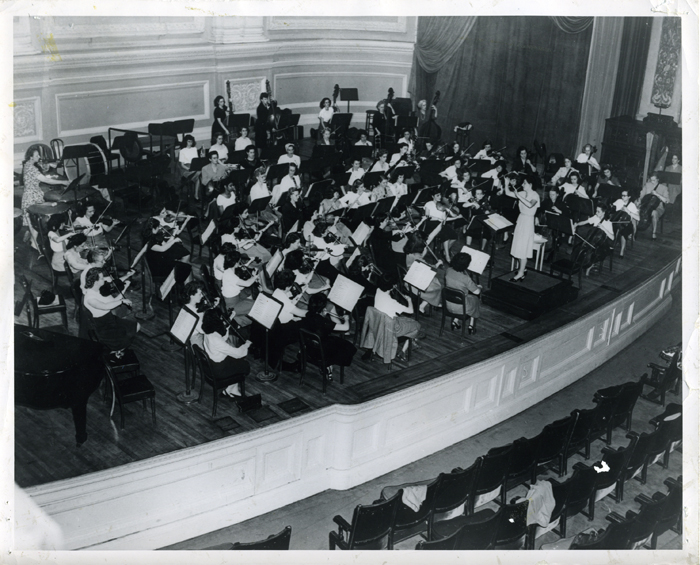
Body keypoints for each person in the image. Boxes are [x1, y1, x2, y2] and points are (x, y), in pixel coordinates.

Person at [83, 267, 139, 357]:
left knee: (137, 326)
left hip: (110, 318)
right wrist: (122, 301)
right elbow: (105, 307)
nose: (105, 279)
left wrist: (126, 281)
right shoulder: (90, 298)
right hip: (103, 325)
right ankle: (115, 353)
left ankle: (118, 351)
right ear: (96, 281)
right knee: (125, 337)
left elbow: (114, 298)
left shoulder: (98, 289)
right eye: (102, 278)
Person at [20, 145, 70, 244]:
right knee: (36, 220)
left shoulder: (27, 164)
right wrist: (63, 182)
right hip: (32, 196)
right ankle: (34, 242)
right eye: (37, 156)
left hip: (30, 194)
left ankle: (33, 242)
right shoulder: (32, 169)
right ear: (31, 157)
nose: (39, 157)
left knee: (34, 222)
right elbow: (46, 180)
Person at [301, 294, 357, 381]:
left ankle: (326, 366)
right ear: (323, 308)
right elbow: (346, 328)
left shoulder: (307, 315)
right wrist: (346, 319)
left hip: (308, 348)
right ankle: (327, 365)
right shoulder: (324, 323)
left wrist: (323, 314)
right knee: (348, 347)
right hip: (320, 351)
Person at [201, 309, 251, 398]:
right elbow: (238, 353)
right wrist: (246, 345)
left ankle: (231, 390)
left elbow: (222, 338)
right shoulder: (216, 340)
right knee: (245, 365)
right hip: (219, 369)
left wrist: (226, 327)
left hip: (211, 364)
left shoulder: (208, 332)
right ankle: (231, 389)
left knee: (237, 362)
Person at [371, 275, 421, 362]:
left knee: (406, 320)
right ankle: (403, 351)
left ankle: (410, 341)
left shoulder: (378, 291)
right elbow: (410, 311)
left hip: (379, 322)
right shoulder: (392, 302)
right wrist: (409, 300)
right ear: (393, 286)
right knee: (416, 325)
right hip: (391, 327)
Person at [506, 174, 540, 281]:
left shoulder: (535, 195)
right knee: (519, 245)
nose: (522, 184)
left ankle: (520, 272)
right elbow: (507, 193)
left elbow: (530, 205)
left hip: (528, 221)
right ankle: (522, 269)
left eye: (524, 183)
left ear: (530, 184)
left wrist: (518, 196)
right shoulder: (522, 192)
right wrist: (506, 183)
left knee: (523, 248)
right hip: (521, 220)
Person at [444, 252, 482, 333]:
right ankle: (471, 326)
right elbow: (476, 292)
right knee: (475, 299)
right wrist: (479, 287)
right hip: (462, 308)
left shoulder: (448, 270)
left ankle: (455, 320)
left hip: (448, 304)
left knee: (459, 297)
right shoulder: (466, 278)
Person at [404, 237, 442, 314]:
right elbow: (429, 268)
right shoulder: (417, 258)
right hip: (415, 283)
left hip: (410, 277)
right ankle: (422, 306)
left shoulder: (409, 253)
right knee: (438, 286)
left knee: (434, 281)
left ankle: (426, 303)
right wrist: (437, 264)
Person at [220, 250, 258, 323]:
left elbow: (235, 285)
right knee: (254, 304)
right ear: (235, 263)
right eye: (239, 261)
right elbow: (247, 284)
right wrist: (255, 277)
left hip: (233, 298)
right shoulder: (230, 275)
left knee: (248, 292)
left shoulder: (228, 270)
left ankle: (245, 312)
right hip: (232, 305)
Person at [638, 173, 670, 240]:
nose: (652, 182)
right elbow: (641, 195)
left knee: (654, 212)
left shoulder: (664, 187)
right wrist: (639, 201)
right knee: (635, 209)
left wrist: (657, 194)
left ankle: (654, 232)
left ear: (658, 180)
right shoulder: (647, 185)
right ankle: (633, 229)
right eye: (651, 180)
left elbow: (666, 201)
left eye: (654, 180)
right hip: (646, 205)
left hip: (658, 207)